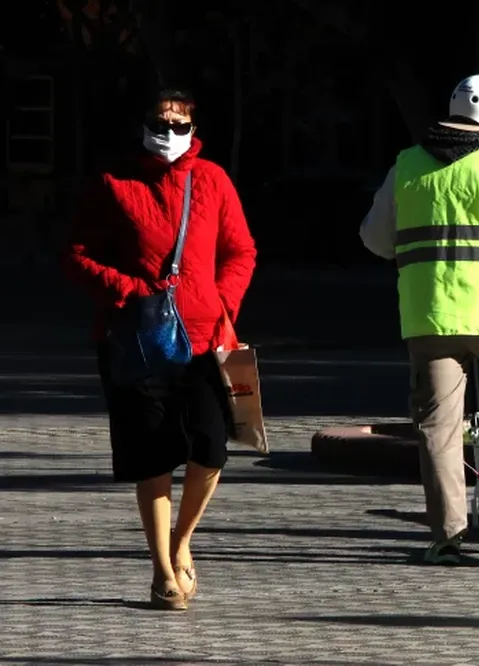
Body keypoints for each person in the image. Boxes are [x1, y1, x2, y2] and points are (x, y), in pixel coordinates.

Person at [64, 89, 257, 608]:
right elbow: (78, 256)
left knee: (212, 447)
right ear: (142, 124)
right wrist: (130, 292)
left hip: (206, 338)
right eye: (160, 121)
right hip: (135, 340)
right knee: (151, 455)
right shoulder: (113, 184)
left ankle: (183, 540)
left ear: (194, 130)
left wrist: (223, 303)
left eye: (180, 124)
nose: (169, 132)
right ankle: (161, 569)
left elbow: (241, 250)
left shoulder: (211, 179)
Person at [359, 74, 479, 565]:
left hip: (428, 316)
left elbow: (375, 239)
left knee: (437, 426)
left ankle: (447, 535)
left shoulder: (406, 164)